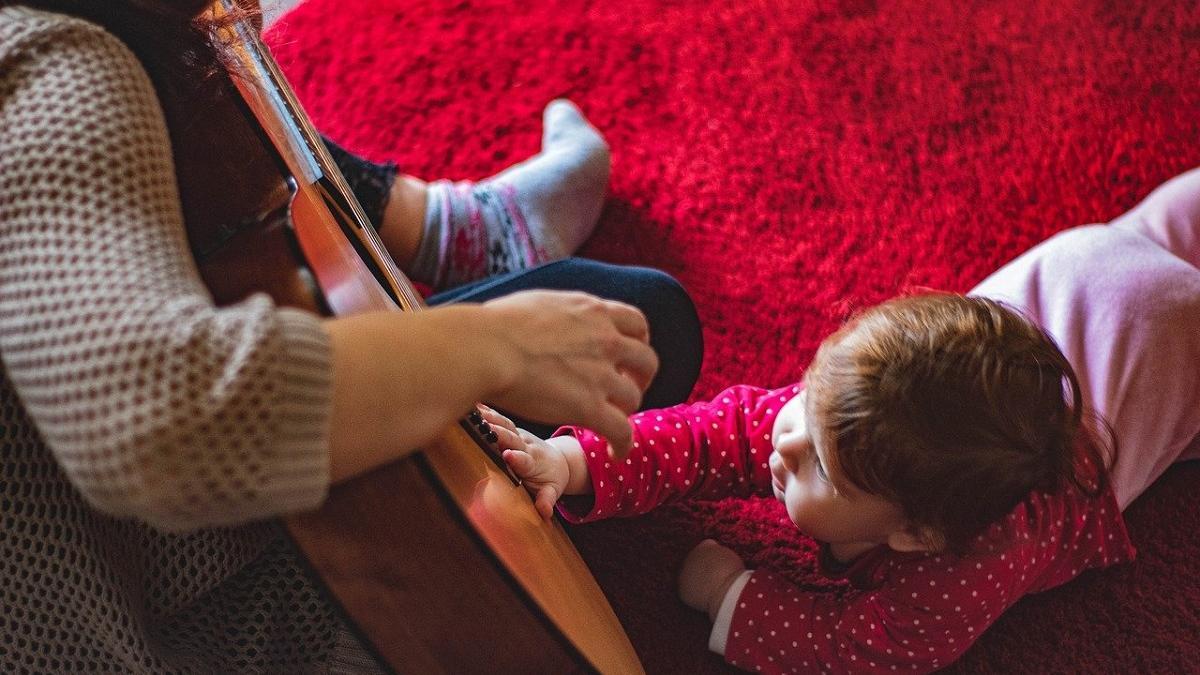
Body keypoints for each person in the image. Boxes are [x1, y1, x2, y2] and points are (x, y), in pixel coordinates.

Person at [0, 1, 702, 672]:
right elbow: (161, 423)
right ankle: (465, 231)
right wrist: (496, 347)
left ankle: (451, 228)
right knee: (623, 334)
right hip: (204, 619)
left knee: (628, 321)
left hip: (172, 543)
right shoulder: (60, 64)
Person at [493, 166, 1200, 673]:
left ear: (916, 534)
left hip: (1160, 337)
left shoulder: (960, 570)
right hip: (1079, 278)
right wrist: (574, 461)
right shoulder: (837, 423)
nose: (784, 436)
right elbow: (709, 435)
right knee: (1162, 232)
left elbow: (858, 651)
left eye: (822, 465)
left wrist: (728, 594)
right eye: (807, 392)